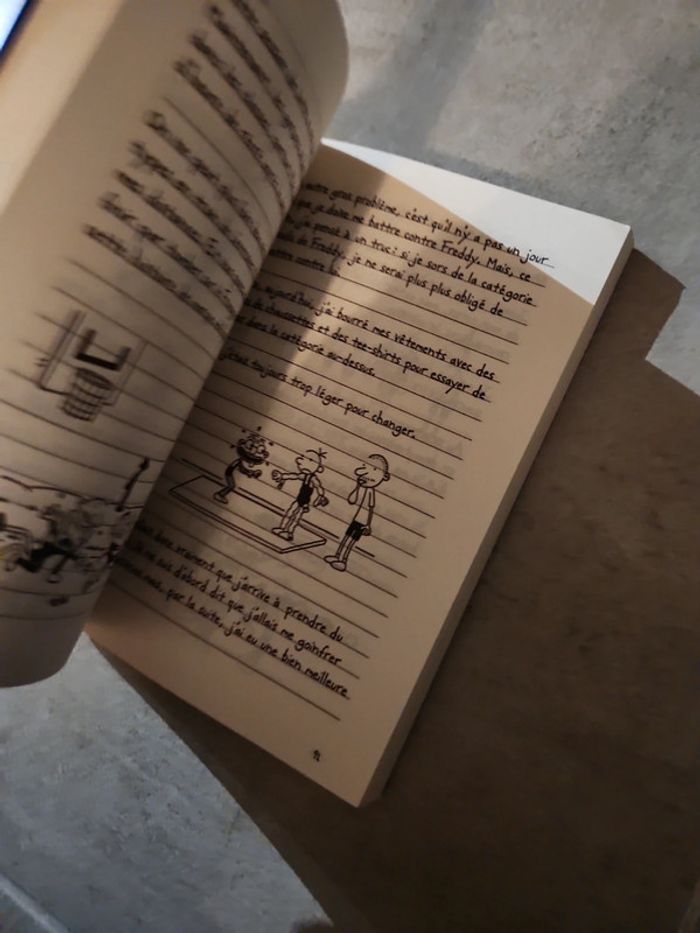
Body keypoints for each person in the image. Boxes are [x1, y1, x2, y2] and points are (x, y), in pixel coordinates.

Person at [324, 453, 390, 572]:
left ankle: (343, 561)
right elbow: (352, 500)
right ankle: (337, 556)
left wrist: (368, 524)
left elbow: (371, 508)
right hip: (356, 519)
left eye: (374, 469)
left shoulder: (370, 491)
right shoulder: (362, 487)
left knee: (351, 541)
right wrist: (358, 486)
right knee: (346, 538)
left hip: (362, 523)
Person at [271, 449, 328, 541]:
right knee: (290, 512)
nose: (300, 461)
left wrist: (321, 496)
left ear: (318, 467)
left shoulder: (313, 479)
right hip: (298, 499)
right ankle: (282, 528)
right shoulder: (304, 476)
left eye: (308, 460)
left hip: (304, 503)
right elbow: (293, 476)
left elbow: (319, 487)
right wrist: (282, 476)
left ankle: (289, 532)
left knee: (296, 516)